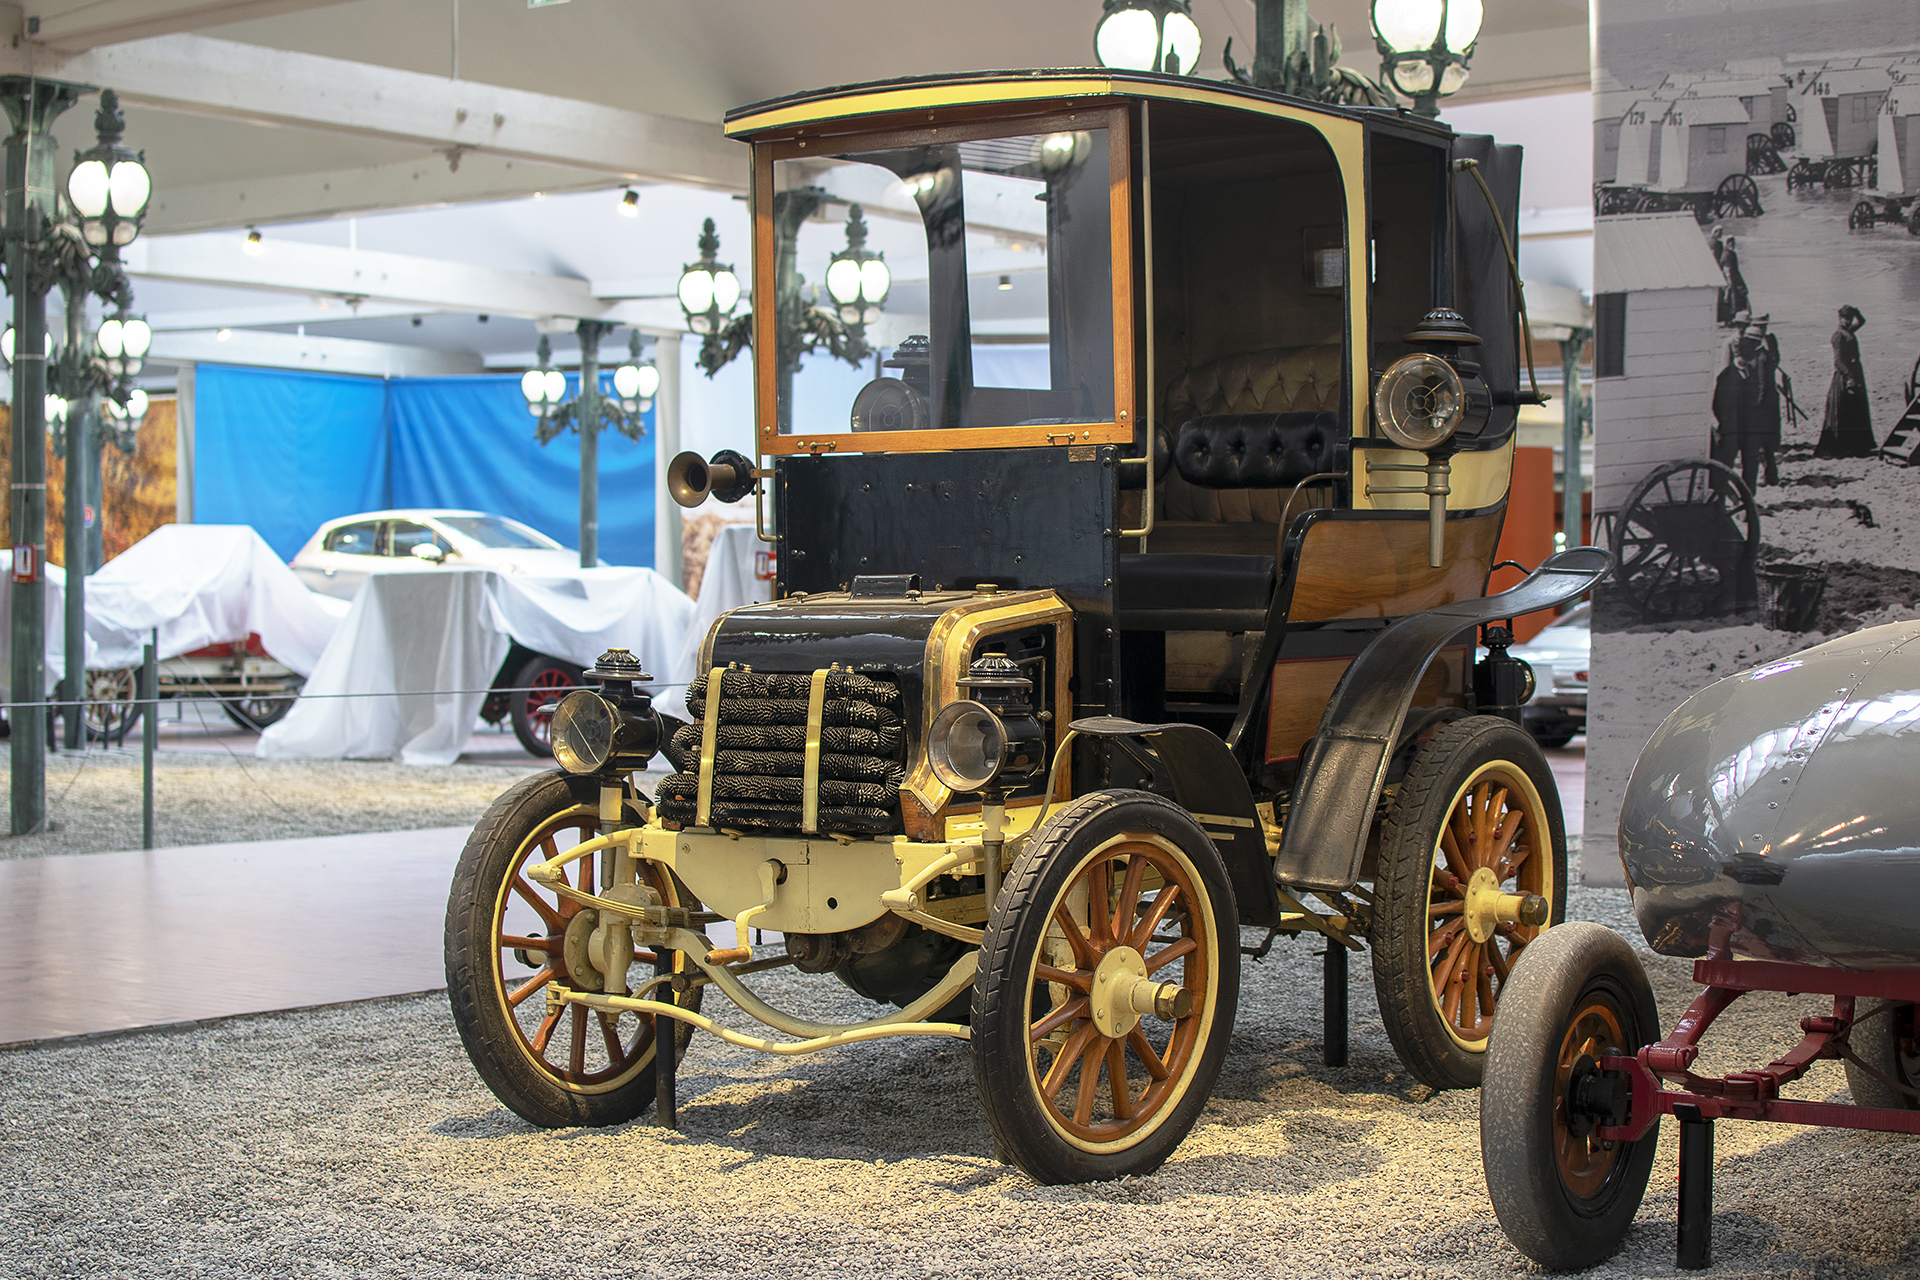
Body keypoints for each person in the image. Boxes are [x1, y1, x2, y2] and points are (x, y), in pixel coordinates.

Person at [1816, 304, 1875, 457]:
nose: (1848, 321)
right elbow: (1838, 361)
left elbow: (1862, 321)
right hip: (1844, 377)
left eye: (1849, 319)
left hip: (1855, 373)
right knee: (1842, 411)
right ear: (1839, 318)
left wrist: (1856, 311)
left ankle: (1856, 446)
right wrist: (1849, 377)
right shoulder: (1838, 335)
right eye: (1845, 319)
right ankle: (1840, 446)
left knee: (1856, 409)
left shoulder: (1848, 331)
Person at [1744, 315, 1784, 485]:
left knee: (1760, 443)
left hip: (1762, 407)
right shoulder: (1763, 354)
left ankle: (1767, 475)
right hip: (1767, 405)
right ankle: (1771, 475)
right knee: (1766, 444)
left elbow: (1761, 385)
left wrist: (1755, 406)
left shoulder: (1760, 357)